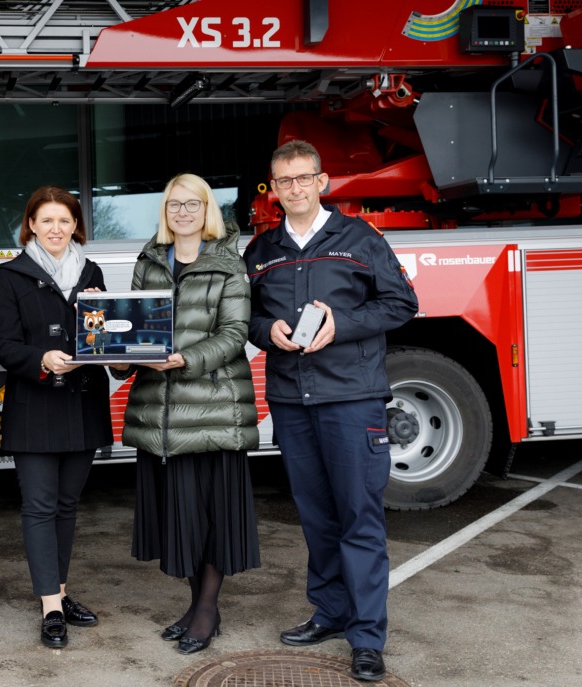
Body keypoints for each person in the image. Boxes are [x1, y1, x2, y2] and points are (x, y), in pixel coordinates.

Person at [244, 140, 418, 682]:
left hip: (352, 399)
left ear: (322, 182)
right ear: (272, 189)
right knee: (317, 516)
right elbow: (245, 318)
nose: (293, 188)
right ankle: (331, 611)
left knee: (358, 518)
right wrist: (265, 332)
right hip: (293, 402)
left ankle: (367, 635)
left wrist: (342, 326)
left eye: (303, 178)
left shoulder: (359, 239)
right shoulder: (261, 251)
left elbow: (401, 304)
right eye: (283, 181)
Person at [111, 173, 260, 656]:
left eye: (191, 204)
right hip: (164, 416)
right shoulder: (149, 260)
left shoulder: (228, 263)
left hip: (214, 412)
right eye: (174, 205)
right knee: (184, 518)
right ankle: (198, 606)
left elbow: (236, 332)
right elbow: (131, 324)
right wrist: (118, 353)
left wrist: (185, 359)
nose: (182, 212)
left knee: (213, 517)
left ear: (207, 210)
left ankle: (207, 610)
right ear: (165, 213)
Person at [0, 185, 113, 649]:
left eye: (65, 220)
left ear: (75, 225)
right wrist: (42, 359)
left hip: (82, 403)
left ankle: (59, 590)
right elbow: (5, 345)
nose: (56, 229)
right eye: (47, 221)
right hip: (36, 407)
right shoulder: (11, 276)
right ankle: (51, 606)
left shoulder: (92, 270)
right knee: (39, 507)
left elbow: (99, 340)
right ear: (32, 226)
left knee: (67, 506)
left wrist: (99, 326)